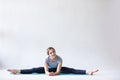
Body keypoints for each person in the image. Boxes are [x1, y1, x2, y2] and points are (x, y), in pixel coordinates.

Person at [7, 47, 99, 76]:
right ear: (48, 54)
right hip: (49, 70)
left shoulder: (59, 59)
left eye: (53, 51)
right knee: (34, 69)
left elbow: (58, 71)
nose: (53, 53)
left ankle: (88, 71)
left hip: (56, 69)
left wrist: (54, 74)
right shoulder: (46, 59)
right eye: (50, 53)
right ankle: (17, 70)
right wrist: (47, 73)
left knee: (71, 70)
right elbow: (46, 70)